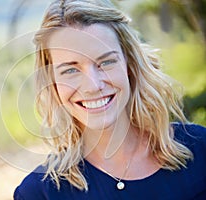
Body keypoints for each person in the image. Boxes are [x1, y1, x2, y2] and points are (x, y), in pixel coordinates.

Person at [14, 0, 206, 199]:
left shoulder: (200, 150)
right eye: (71, 70)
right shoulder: (39, 194)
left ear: (130, 65)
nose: (93, 86)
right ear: (52, 81)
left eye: (106, 62)